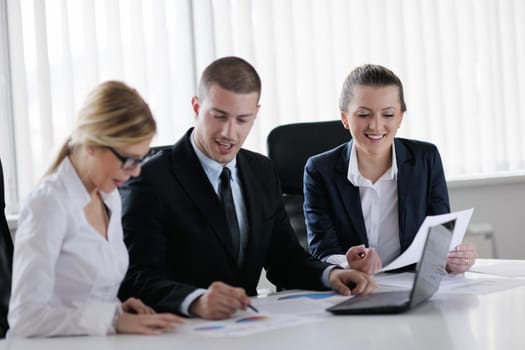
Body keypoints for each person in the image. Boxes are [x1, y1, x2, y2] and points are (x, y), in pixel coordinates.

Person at [118, 56, 376, 320]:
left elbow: (284, 259)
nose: (229, 133)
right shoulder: (149, 177)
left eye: (243, 119)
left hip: (248, 324)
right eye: (219, 117)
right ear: (196, 107)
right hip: (181, 327)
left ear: (256, 113)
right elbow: (136, 276)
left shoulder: (261, 171)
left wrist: (331, 274)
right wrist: (195, 301)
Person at [8, 81, 184, 337]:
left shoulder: (109, 197)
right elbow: (26, 320)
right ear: (91, 144)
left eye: (140, 160)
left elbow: (81, 300)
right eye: (128, 160)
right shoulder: (48, 205)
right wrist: (111, 321)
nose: (135, 172)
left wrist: (117, 311)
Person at [304, 64, 478, 275]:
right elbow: (322, 248)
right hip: (353, 286)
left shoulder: (425, 158)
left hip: (410, 285)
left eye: (387, 115)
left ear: (400, 117)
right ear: (345, 118)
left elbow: (439, 236)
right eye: (363, 115)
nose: (376, 126)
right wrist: (347, 264)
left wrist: (451, 259)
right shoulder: (320, 170)